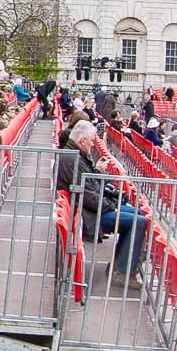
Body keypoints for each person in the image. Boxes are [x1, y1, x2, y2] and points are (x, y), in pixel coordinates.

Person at [55, 120, 148, 281]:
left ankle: (122, 264)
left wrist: (110, 202)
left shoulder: (76, 156)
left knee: (138, 214)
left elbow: (90, 189)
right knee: (138, 222)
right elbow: (88, 195)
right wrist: (111, 206)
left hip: (89, 208)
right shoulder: (71, 159)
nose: (92, 145)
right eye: (91, 141)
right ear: (83, 140)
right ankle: (123, 271)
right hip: (87, 214)